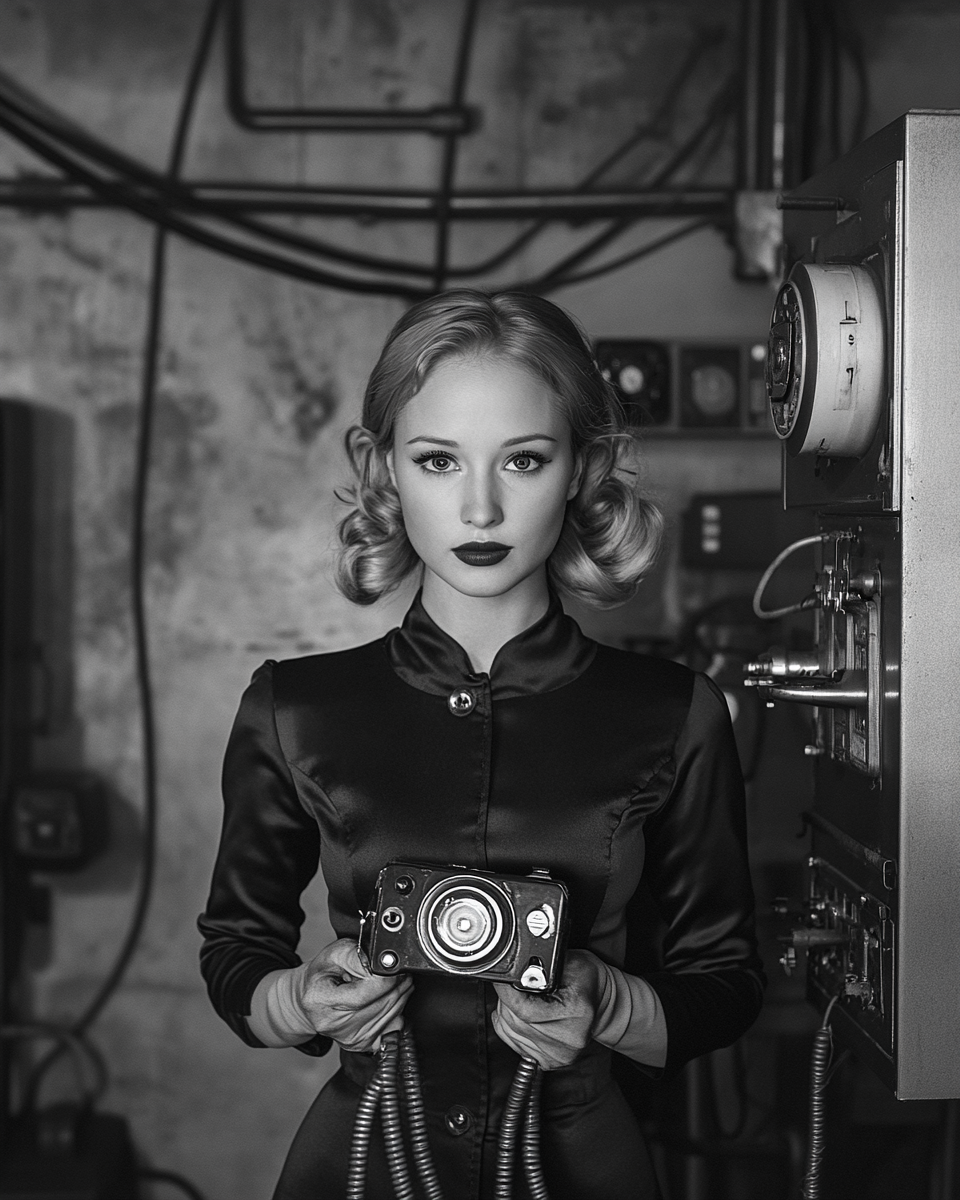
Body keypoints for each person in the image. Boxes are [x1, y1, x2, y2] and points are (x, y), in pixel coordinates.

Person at [198, 290, 764, 1200]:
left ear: (585, 467)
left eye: (525, 460)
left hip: (582, 1166)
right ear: (381, 469)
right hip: (360, 1165)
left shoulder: (675, 712)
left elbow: (727, 982)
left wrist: (610, 1005)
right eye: (437, 460)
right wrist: (303, 1000)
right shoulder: (292, 709)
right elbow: (234, 950)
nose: (480, 506)